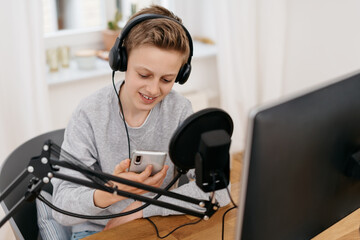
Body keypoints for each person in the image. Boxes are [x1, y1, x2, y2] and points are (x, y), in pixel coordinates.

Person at [52, 5, 230, 239]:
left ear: (182, 73)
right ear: (122, 60)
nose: (153, 89)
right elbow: (62, 205)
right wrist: (112, 193)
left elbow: (219, 191)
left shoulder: (180, 110)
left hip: (157, 223)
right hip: (97, 229)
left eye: (167, 79)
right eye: (144, 75)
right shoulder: (89, 113)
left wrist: (139, 210)